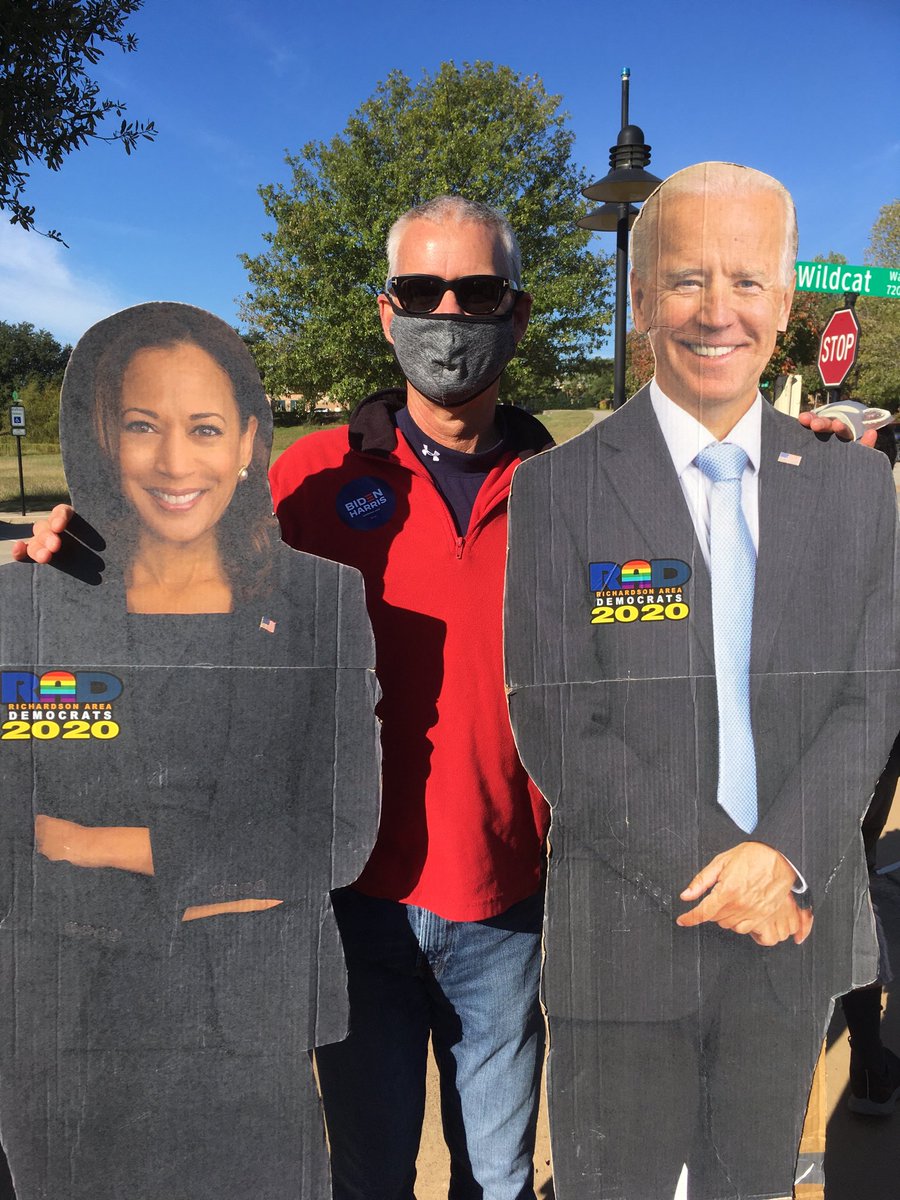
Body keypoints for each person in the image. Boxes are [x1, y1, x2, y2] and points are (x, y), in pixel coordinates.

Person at [504, 163, 899, 1199]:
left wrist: (786, 863)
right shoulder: (556, 491)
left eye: (748, 281)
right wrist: (734, 877)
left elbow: (871, 693)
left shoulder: (859, 489)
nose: (717, 311)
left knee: (753, 1183)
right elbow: (555, 714)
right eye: (685, 280)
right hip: (629, 941)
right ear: (639, 301)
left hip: (793, 933)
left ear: (785, 305)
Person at [0, 303, 379, 1199]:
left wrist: (100, 845)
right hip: (64, 1037)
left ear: (249, 440)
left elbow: (337, 833)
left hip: (252, 1040)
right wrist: (232, 868)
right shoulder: (33, 606)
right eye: (143, 427)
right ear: (103, 436)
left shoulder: (322, 603)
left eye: (204, 428)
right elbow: (11, 838)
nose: (176, 462)